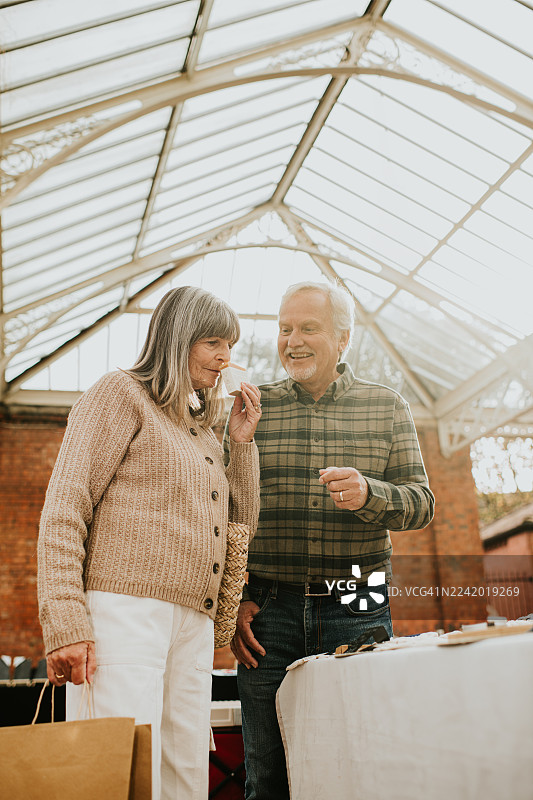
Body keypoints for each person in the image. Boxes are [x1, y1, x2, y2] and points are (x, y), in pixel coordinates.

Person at [38, 286, 262, 800]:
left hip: (193, 623)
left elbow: (240, 525)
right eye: (213, 343)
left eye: (230, 345)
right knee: (122, 768)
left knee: (186, 769)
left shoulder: (201, 429)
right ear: (178, 340)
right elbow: (66, 507)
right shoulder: (119, 394)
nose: (226, 358)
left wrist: (241, 443)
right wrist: (65, 621)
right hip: (126, 612)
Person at [229, 281, 435, 800]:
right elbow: (225, 509)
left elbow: (422, 504)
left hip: (358, 602)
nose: (292, 340)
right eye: (285, 329)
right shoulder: (253, 409)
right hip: (266, 614)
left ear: (343, 339)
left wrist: (370, 493)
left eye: (308, 328)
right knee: (267, 778)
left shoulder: (387, 407)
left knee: (360, 766)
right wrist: (235, 598)